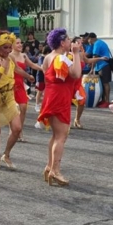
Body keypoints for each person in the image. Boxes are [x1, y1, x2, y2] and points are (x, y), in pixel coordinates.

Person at [37, 28, 83, 185]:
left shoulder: (49, 57)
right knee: (61, 136)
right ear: (62, 43)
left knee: (56, 135)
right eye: (68, 40)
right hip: (59, 98)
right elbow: (76, 74)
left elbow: (46, 74)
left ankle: (50, 167)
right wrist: (76, 53)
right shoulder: (60, 58)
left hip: (51, 96)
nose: (71, 42)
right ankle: (55, 171)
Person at [0, 31, 30, 169]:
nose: (9, 50)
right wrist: (1, 69)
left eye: (10, 47)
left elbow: (16, 69)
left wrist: (29, 76)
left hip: (9, 95)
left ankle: (7, 154)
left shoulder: (10, 59)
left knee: (17, 128)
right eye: (5, 47)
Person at [11, 37, 41, 141]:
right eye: (17, 43)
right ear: (12, 45)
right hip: (11, 86)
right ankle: (14, 130)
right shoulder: (9, 56)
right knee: (14, 110)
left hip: (21, 85)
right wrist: (28, 76)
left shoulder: (24, 55)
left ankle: (19, 130)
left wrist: (43, 68)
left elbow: (32, 65)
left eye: (21, 43)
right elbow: (17, 69)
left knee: (23, 108)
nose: (20, 45)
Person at [86, 33, 112, 107]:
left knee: (105, 83)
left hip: (103, 66)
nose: (88, 41)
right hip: (100, 66)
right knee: (101, 84)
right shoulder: (98, 43)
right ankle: (103, 100)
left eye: (88, 39)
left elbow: (95, 57)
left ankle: (107, 101)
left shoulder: (97, 44)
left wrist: (91, 69)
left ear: (91, 38)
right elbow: (89, 55)